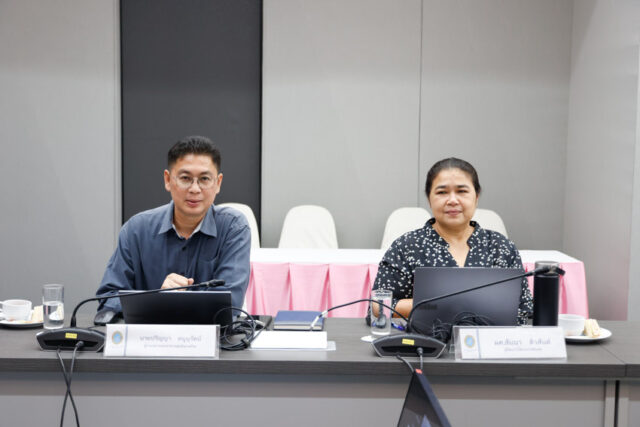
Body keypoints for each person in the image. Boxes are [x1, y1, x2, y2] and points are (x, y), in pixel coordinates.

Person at [96, 136, 251, 315]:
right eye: (185, 178)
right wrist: (158, 299)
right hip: (148, 333)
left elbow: (229, 305)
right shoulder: (136, 230)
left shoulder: (233, 228)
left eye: (204, 179)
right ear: (168, 180)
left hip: (211, 334)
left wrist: (169, 303)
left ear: (218, 183)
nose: (195, 189)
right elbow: (108, 298)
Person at [373, 157, 533, 325]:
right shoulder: (406, 246)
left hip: (489, 341)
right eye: (442, 192)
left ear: (476, 197)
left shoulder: (501, 247)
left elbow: (525, 310)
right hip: (425, 340)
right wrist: (438, 305)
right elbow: (378, 308)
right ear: (429, 199)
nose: (452, 200)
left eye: (462, 191)